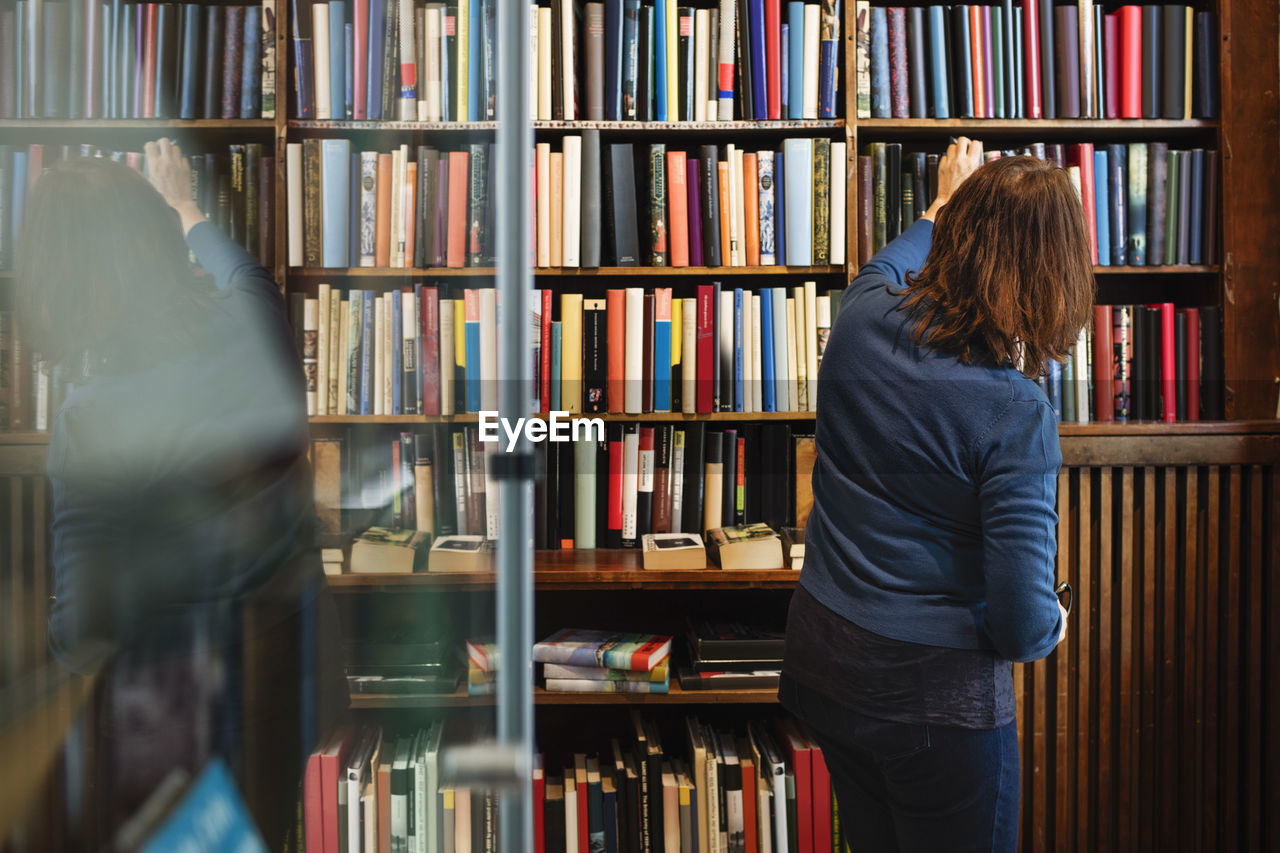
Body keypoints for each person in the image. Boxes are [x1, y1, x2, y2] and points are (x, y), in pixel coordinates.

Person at [14, 141, 347, 850]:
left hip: (179, 722)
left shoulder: (92, 416)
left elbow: (84, 630)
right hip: (295, 679)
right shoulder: (253, 318)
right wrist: (185, 202)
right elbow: (243, 269)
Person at [780, 139, 1092, 852]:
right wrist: (1054, 624)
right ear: (1054, 278)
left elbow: (891, 260)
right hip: (935, 712)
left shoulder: (860, 316)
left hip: (825, 666)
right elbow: (1020, 624)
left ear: (952, 240)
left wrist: (946, 202)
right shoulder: (1013, 411)